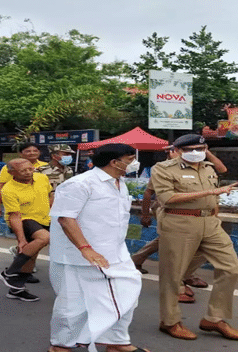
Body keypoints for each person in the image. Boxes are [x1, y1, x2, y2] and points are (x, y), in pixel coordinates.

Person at [49, 143, 149, 352]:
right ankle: (61, 347)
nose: (134, 164)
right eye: (130, 159)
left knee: (127, 295)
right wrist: (86, 248)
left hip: (115, 253)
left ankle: (116, 341)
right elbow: (66, 219)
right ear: (114, 162)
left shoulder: (119, 182)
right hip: (78, 256)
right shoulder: (80, 184)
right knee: (73, 306)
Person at [151, 134, 238, 342]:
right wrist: (209, 192)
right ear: (178, 150)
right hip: (179, 223)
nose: (196, 153)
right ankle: (170, 322)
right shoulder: (163, 169)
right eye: (190, 149)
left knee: (232, 268)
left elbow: (215, 195)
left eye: (200, 148)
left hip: (210, 223)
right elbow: (167, 198)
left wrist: (214, 207)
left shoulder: (208, 167)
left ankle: (215, 318)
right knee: (173, 275)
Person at [132, 146, 217, 301]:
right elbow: (148, 192)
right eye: (185, 150)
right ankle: (179, 282)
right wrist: (145, 214)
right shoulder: (163, 169)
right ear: (173, 152)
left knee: (176, 242)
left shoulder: (199, 167)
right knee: (172, 243)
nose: (194, 154)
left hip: (196, 215)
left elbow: (222, 169)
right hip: (169, 211)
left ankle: (139, 260)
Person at [0, 158, 53, 302]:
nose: (28, 172)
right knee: (44, 237)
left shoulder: (42, 178)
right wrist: (21, 239)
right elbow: (15, 216)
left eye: (30, 169)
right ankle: (9, 272)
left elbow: (50, 195)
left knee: (32, 255)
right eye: (23, 170)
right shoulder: (9, 189)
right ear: (12, 172)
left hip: (44, 218)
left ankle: (16, 289)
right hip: (23, 220)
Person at [0, 143, 48, 218]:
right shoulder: (10, 167)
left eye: (35, 151)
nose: (32, 153)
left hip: (42, 208)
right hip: (19, 206)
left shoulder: (46, 166)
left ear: (39, 152)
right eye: (28, 151)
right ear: (20, 153)